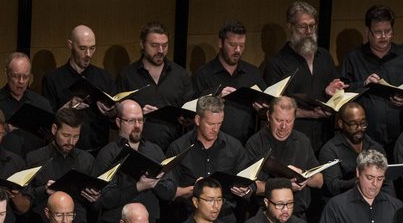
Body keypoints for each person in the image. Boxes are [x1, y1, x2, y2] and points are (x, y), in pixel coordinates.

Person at [261, 1, 346, 151]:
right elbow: (274, 108)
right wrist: (311, 114)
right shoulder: (277, 63)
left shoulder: (324, 56)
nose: (308, 31)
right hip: (292, 142)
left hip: (325, 138)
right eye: (303, 26)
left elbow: (335, 93)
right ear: (290, 27)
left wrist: (334, 92)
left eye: (312, 26)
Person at [155, 95, 252, 223]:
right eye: (211, 124)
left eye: (219, 124)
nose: (215, 129)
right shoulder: (178, 147)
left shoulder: (234, 147)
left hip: (224, 219)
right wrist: (194, 190)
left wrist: (247, 190)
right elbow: (167, 190)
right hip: (188, 219)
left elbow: (249, 182)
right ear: (198, 119)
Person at [341, 5, 403, 152]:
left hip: (400, 135)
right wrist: (364, 84)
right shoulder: (354, 58)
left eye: (388, 31)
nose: (383, 36)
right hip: (365, 137)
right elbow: (341, 93)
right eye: (378, 32)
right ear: (367, 31)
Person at [92, 99, 166, 223]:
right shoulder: (108, 154)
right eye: (131, 121)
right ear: (118, 122)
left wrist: (155, 183)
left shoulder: (154, 150)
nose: (137, 125)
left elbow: (170, 190)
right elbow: (106, 198)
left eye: (140, 120)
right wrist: (138, 187)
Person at [117, 21, 193, 150]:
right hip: (137, 149)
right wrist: (140, 113)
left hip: (173, 149)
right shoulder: (127, 75)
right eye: (154, 45)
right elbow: (117, 117)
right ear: (142, 44)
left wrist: (186, 118)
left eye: (164, 45)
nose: (160, 51)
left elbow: (190, 113)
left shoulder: (181, 75)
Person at [244, 98, 323, 220]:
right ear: (268, 116)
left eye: (288, 121)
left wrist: (304, 177)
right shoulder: (255, 143)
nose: (284, 126)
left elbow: (319, 181)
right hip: (265, 217)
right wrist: (286, 185)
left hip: (298, 217)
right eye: (279, 120)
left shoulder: (302, 140)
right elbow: (251, 187)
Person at [42, 24, 116, 152]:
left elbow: (115, 120)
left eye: (92, 48)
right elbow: (45, 123)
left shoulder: (104, 77)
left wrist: (112, 111)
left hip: (98, 150)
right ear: (70, 45)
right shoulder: (53, 78)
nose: (88, 54)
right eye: (82, 48)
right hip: (65, 151)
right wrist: (67, 107)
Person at [194, 20, 266, 143]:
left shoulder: (253, 73)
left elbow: (265, 107)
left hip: (246, 145)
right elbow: (192, 109)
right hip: (213, 144)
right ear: (220, 43)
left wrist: (263, 107)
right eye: (232, 45)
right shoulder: (204, 73)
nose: (237, 50)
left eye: (242, 46)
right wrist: (215, 98)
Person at [26, 108, 98, 223]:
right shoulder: (34, 159)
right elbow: (25, 201)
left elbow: (95, 204)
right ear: (54, 129)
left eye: (76, 136)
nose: (71, 142)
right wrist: (44, 190)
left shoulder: (86, 160)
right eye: (66, 135)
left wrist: (95, 198)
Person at [0, 52, 53, 158]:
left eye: (26, 76)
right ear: (6, 73)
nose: (21, 81)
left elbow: (51, 137)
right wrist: (5, 129)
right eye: (16, 76)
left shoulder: (41, 103)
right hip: (2, 165)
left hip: (35, 164)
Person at [317, 101, 393, 200]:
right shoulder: (330, 150)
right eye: (353, 124)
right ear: (341, 124)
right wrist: (359, 181)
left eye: (363, 123)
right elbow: (333, 186)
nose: (360, 128)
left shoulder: (376, 147)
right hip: (345, 203)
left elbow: (387, 185)